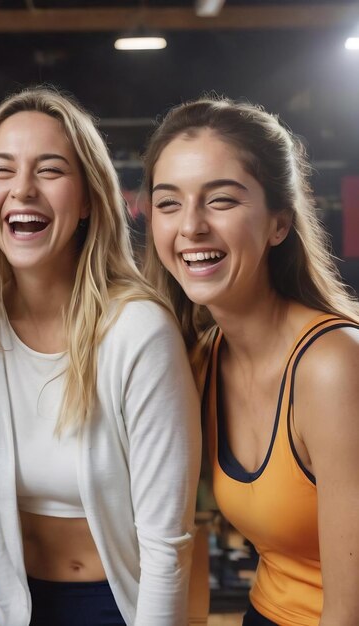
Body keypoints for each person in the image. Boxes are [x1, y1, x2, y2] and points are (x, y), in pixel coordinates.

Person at [0, 86, 201, 626]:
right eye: (1, 170)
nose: (22, 190)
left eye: (50, 170)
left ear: (87, 199)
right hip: (25, 606)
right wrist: (12, 611)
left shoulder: (138, 331)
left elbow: (166, 543)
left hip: (120, 608)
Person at [144, 97, 359, 626]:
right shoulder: (198, 361)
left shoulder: (333, 366)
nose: (190, 226)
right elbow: (178, 537)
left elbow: (347, 609)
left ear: (278, 225)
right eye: (168, 203)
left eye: (220, 201)